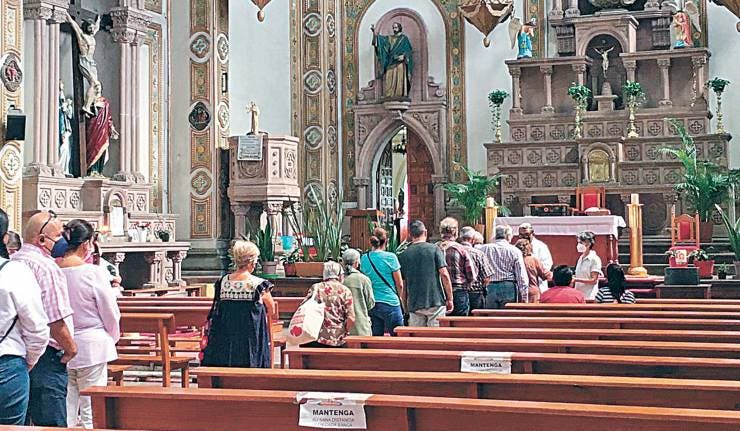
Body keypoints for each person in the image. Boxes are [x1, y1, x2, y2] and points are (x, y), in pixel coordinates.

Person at [12, 211, 76, 427]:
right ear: (41, 240)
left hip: (16, 352)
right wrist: (70, 348)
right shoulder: (46, 268)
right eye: (58, 236)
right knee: (51, 424)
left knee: (19, 423)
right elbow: (54, 318)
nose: (63, 241)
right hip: (46, 356)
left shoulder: (12, 262)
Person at [58, 220, 120, 429]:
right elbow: (109, 312)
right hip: (93, 344)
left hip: (60, 343)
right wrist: (111, 338)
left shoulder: (53, 270)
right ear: (86, 244)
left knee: (66, 406)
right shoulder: (93, 273)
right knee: (91, 410)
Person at [0, 208, 49, 425]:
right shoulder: (15, 273)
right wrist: (28, 362)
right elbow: (37, 329)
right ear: (5, 237)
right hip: (6, 365)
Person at [201, 240, 276, 368]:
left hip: (226, 338)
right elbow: (271, 309)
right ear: (252, 262)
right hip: (250, 338)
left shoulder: (223, 282)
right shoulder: (258, 285)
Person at [398, 220, 453, 327]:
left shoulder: (404, 254)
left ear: (410, 235)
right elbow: (444, 275)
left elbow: (403, 284)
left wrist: (405, 305)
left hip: (415, 302)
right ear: (425, 232)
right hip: (435, 300)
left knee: (417, 336)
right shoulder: (434, 249)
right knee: (435, 335)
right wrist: (450, 298)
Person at [360, 228, 404, 336]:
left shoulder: (364, 258)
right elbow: (399, 284)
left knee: (376, 338)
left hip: (372, 303)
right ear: (386, 241)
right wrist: (400, 297)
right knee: (398, 336)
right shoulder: (391, 257)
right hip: (390, 301)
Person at [302, 261, 355, 347]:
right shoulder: (345, 291)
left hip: (316, 336)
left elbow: (304, 307)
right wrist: (346, 330)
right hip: (337, 339)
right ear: (339, 275)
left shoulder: (316, 288)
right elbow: (351, 318)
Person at [479, 225, 528, 308]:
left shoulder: (483, 249)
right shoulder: (515, 251)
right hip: (508, 287)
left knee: (490, 314)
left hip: (490, 286)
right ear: (508, 236)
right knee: (507, 314)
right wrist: (524, 295)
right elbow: (521, 275)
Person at [436, 218, 476, 316]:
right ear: (455, 232)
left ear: (441, 231)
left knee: (441, 322)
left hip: (439, 291)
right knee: (460, 323)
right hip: (458, 291)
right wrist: (469, 282)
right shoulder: (460, 249)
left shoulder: (434, 248)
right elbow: (471, 273)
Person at [458, 227, 494, 312]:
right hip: (475, 293)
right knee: (476, 318)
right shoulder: (479, 254)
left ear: (459, 238)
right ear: (473, 239)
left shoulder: (453, 251)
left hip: (457, 292)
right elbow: (486, 278)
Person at [342, 249, 375, 336]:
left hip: (342, 327)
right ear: (357, 263)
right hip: (361, 327)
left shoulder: (340, 279)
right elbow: (370, 304)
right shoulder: (364, 279)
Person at [515, 239, 552, 304]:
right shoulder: (533, 260)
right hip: (533, 291)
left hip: (518, 291)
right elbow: (545, 275)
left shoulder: (515, 260)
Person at [518, 223, 553, 292]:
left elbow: (547, 264)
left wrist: (531, 273)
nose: (524, 237)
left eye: (526, 234)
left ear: (533, 233)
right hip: (521, 285)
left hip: (538, 284)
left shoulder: (541, 246)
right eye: (521, 235)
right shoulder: (517, 246)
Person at [573, 231, 603, 300]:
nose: (579, 245)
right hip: (579, 294)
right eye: (578, 242)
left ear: (588, 244)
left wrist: (576, 279)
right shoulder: (581, 257)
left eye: (581, 243)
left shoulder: (594, 259)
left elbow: (593, 280)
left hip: (589, 295)